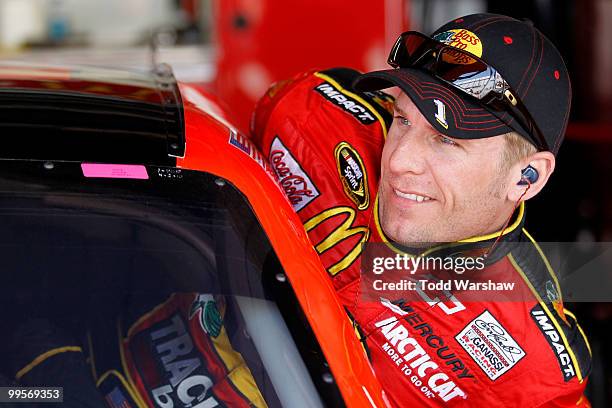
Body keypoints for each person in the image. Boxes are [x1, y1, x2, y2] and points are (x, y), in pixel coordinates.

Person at [251, 13, 591, 407]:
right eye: (402, 119)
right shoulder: (314, 117)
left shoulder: (531, 372)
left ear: (526, 177)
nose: (398, 162)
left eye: (446, 140)